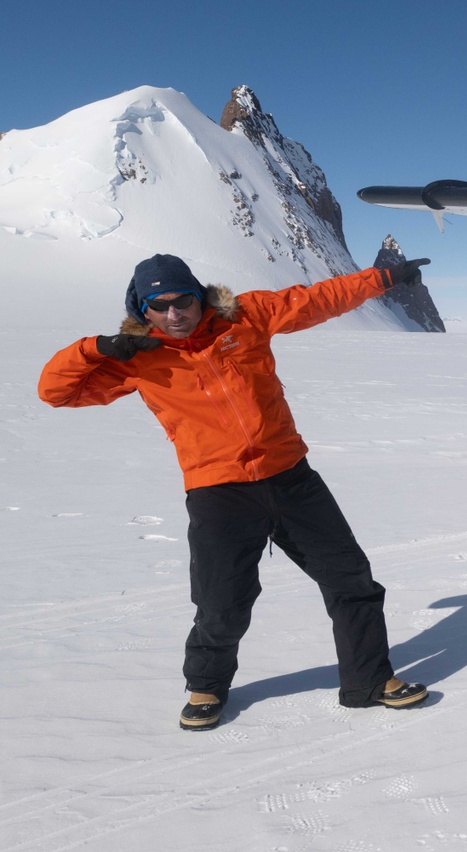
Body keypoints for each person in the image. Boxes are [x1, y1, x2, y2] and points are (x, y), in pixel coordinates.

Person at [38, 253, 432, 731]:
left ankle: (369, 680)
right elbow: (55, 391)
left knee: (352, 581)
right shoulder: (136, 357)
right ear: (142, 311)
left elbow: (315, 300)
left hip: (291, 477)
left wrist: (383, 278)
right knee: (221, 602)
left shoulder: (245, 317)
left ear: (198, 295)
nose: (173, 314)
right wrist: (95, 349)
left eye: (181, 300)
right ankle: (206, 686)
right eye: (157, 306)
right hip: (218, 491)